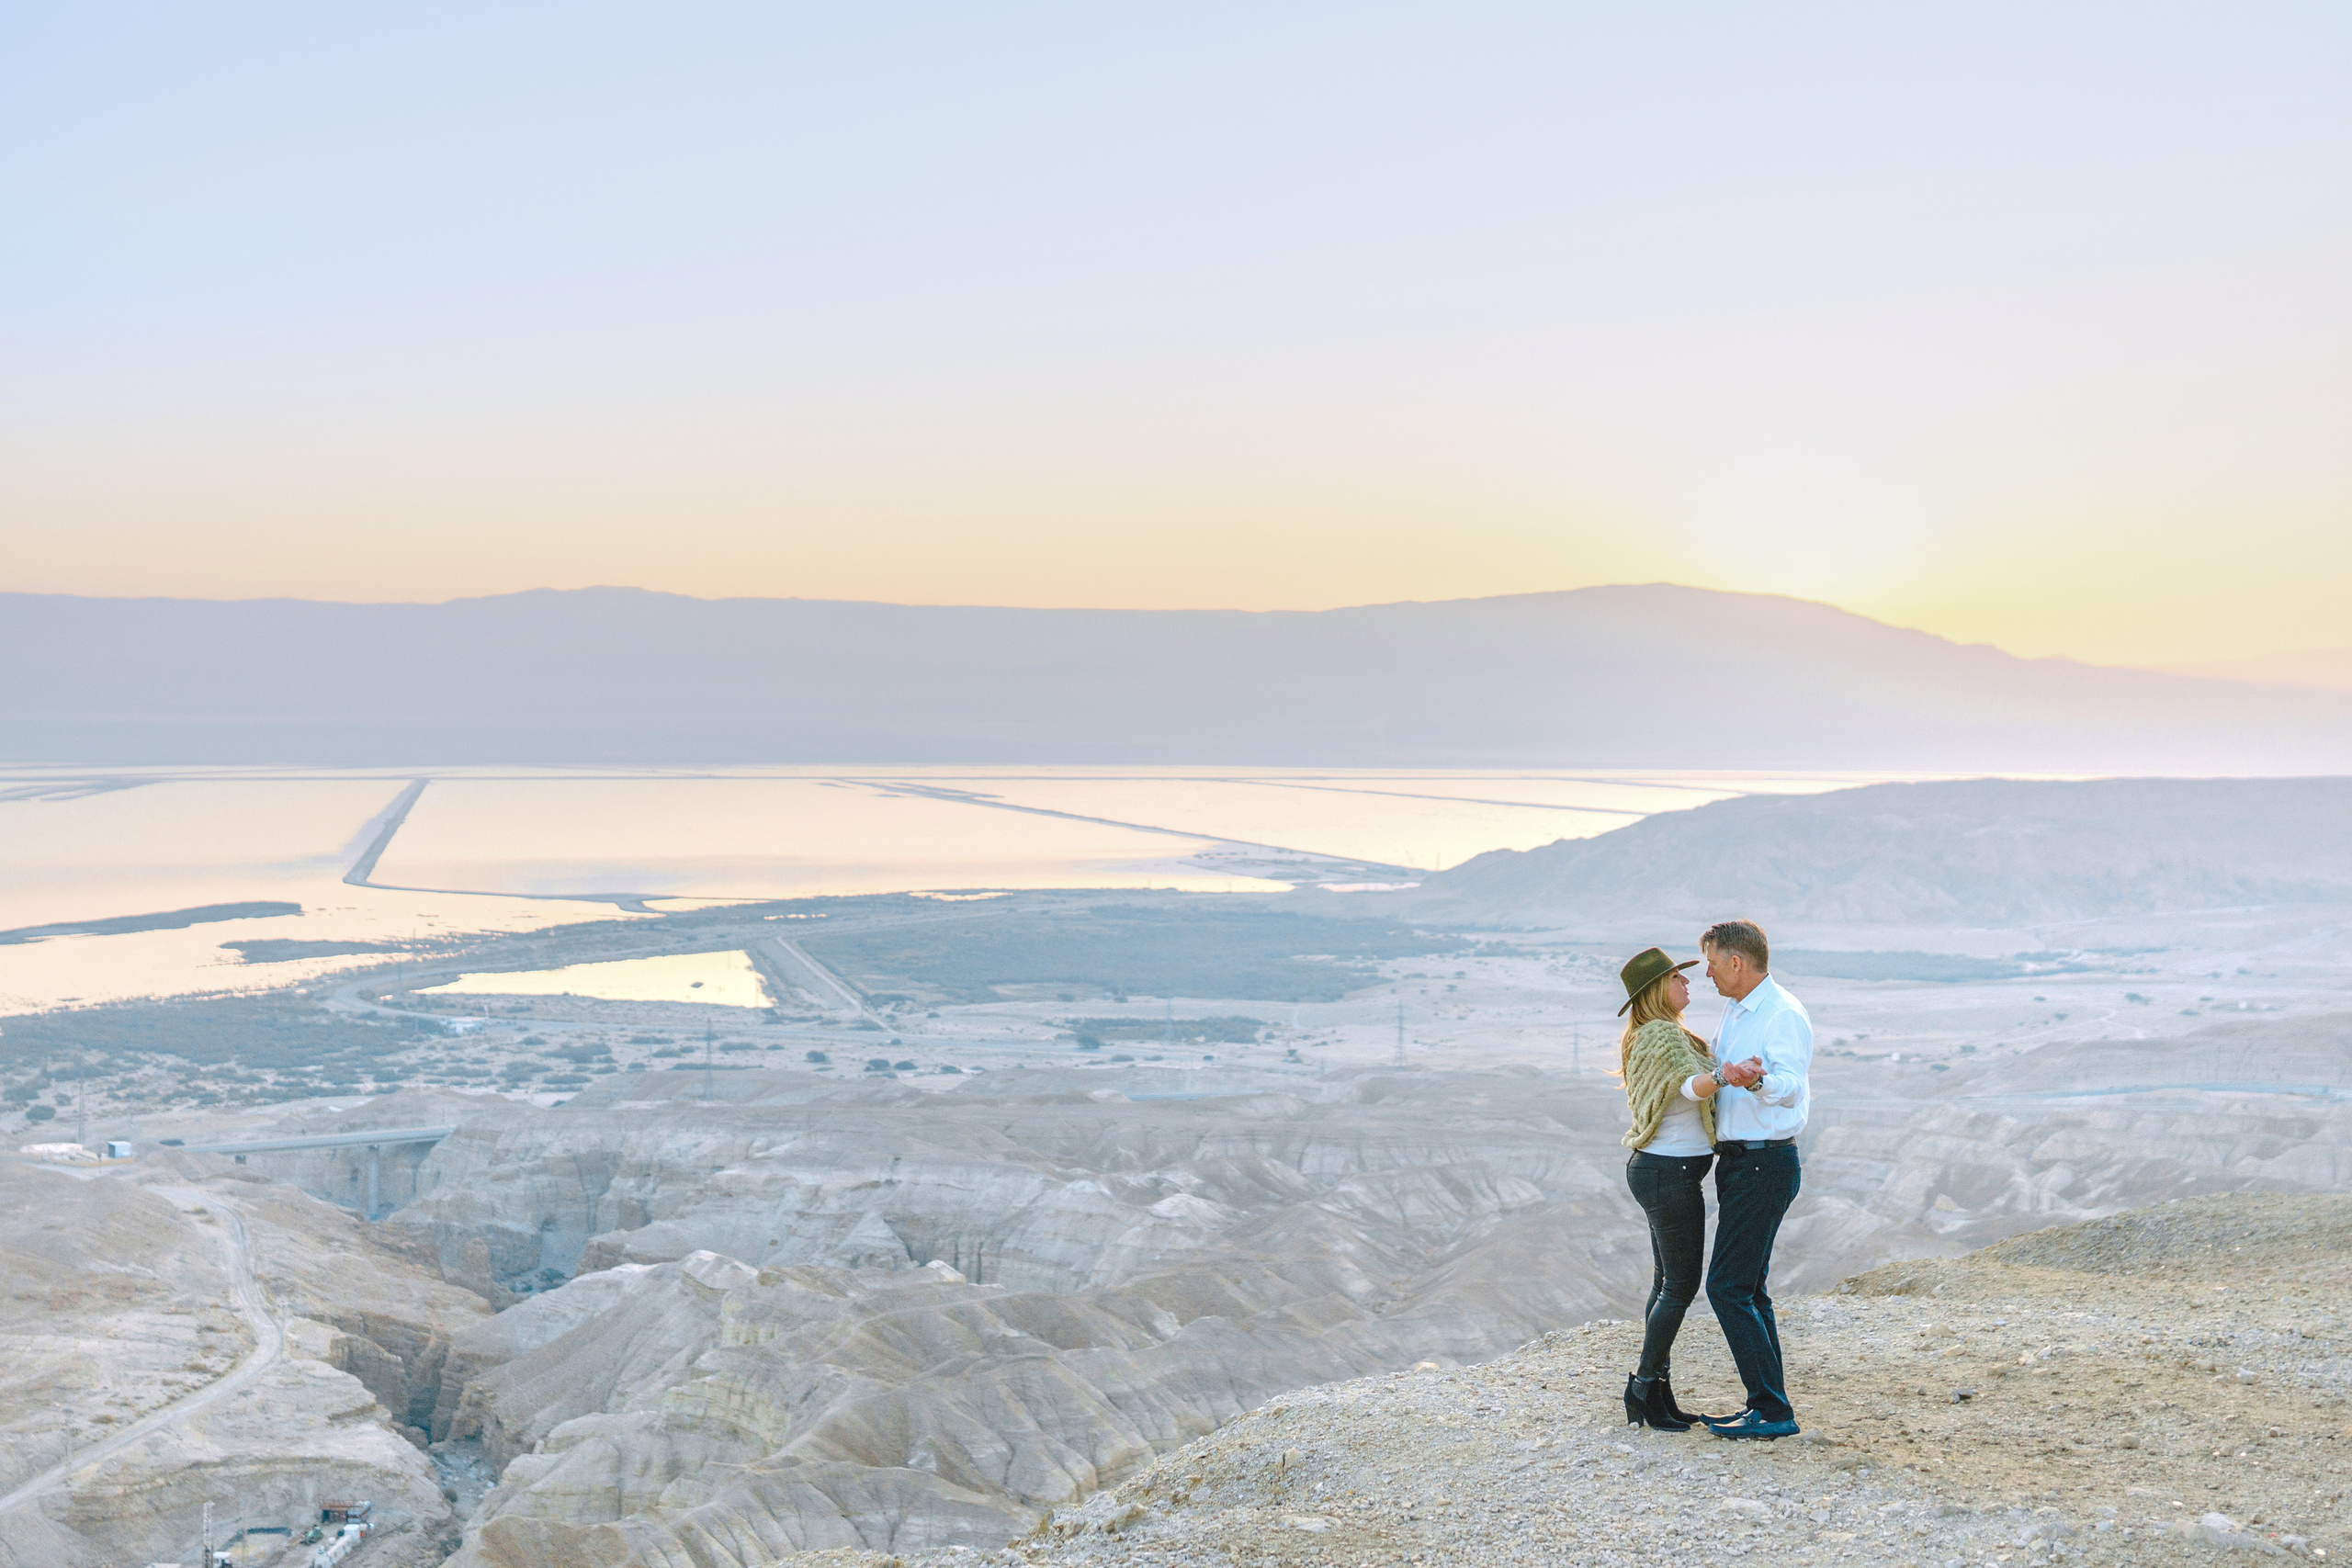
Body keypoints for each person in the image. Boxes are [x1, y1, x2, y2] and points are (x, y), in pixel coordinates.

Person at [1612, 945, 1760, 1431]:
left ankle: (1656, 1393)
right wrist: (1723, 1076)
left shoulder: (1666, 1033)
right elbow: (1685, 1087)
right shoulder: (1660, 1035)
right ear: (1659, 988)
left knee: (1667, 1286)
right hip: (1666, 1174)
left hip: (1664, 1173)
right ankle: (1642, 1389)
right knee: (1679, 1287)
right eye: (1679, 977)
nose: (1688, 983)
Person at [1694, 919, 1813, 1440]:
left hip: (1764, 1163)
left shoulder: (1781, 1013)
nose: (1708, 975)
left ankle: (1772, 1409)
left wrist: (1757, 1080)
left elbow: (1789, 1084)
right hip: (1742, 1161)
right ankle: (1767, 1405)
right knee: (1749, 1288)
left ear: (1737, 963)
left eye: (1713, 964)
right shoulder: (1737, 1009)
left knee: (1726, 1287)